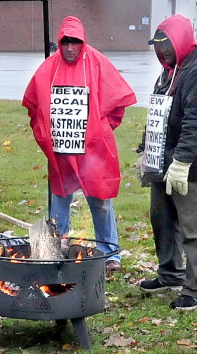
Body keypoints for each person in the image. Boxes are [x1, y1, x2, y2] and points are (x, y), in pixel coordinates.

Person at [22, 16, 136, 273]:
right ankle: (59, 250)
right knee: (59, 200)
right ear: (59, 43)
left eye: (75, 42)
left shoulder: (96, 63)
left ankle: (110, 253)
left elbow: (117, 104)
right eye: (65, 42)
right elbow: (33, 107)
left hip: (92, 153)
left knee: (100, 201)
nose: (70, 48)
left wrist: (99, 131)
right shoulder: (47, 69)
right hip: (61, 154)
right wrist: (46, 136)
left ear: (82, 42)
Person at [137, 14, 197, 310]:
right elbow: (157, 116)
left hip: (193, 167)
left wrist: (183, 162)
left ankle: (196, 287)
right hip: (162, 162)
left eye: (166, 43)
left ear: (181, 40)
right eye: (157, 45)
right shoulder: (168, 72)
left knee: (192, 227)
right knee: (161, 219)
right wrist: (144, 151)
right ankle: (169, 273)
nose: (161, 50)